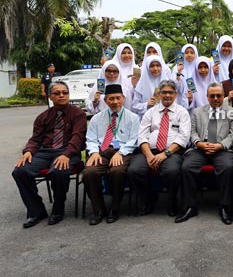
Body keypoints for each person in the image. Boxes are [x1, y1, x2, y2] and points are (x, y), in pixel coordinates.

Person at [12, 81, 86, 228]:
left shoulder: (78, 114)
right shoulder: (43, 116)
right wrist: (28, 151)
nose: (62, 96)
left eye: (65, 93)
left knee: (58, 172)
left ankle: (58, 210)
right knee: (20, 171)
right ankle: (36, 211)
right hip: (45, 152)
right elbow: (36, 138)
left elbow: (78, 137)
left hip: (68, 151)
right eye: (57, 93)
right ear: (50, 97)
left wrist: (67, 154)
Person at [177, 83, 233, 225]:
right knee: (187, 167)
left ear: (224, 96)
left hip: (221, 148)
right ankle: (190, 207)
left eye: (219, 95)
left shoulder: (232, 112)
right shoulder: (198, 112)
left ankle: (225, 206)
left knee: (227, 167)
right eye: (212, 96)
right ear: (207, 97)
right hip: (201, 148)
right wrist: (199, 143)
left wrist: (220, 145)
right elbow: (191, 132)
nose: (216, 98)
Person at [128, 80, 191, 217]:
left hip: (172, 152)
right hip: (149, 151)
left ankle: (172, 199)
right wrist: (149, 155)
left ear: (175, 94)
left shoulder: (182, 112)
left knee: (173, 171)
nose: (167, 95)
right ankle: (148, 198)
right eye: (164, 92)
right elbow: (142, 136)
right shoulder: (150, 112)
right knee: (134, 170)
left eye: (170, 92)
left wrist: (165, 154)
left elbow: (183, 138)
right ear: (159, 94)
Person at [84, 84, 140, 225]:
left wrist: (120, 153)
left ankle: (115, 209)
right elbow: (90, 139)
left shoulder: (133, 118)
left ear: (123, 99)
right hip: (102, 151)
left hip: (124, 151)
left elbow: (134, 140)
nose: (115, 102)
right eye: (111, 99)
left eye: (118, 98)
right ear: (105, 100)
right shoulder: (97, 118)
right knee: (89, 172)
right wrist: (94, 152)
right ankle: (99, 210)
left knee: (117, 171)